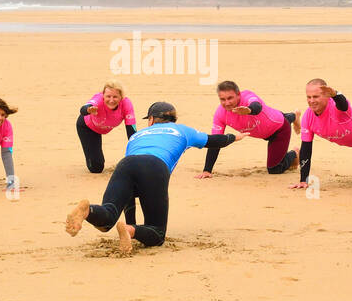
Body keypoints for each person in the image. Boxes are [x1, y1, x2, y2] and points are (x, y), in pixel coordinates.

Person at [65, 101, 247, 254]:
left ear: (151, 119)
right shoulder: (182, 130)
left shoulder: (136, 136)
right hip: (155, 166)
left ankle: (88, 211)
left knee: (108, 218)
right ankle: (130, 230)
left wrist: (131, 220)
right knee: (157, 233)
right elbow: (212, 140)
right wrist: (234, 137)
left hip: (126, 163)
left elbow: (129, 193)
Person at [289, 80, 352, 189]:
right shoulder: (308, 117)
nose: (311, 101)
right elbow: (306, 148)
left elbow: (343, 104)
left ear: (327, 96)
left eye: (316, 96)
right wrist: (303, 180)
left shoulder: (337, 108)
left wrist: (335, 94)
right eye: (309, 97)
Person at [199, 81, 299, 177]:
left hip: (279, 130)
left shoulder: (247, 96)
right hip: (268, 122)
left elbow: (257, 106)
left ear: (238, 95)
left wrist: (249, 110)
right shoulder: (220, 114)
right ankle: (294, 116)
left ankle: (295, 154)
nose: (227, 103)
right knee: (275, 117)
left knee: (274, 169)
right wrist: (207, 170)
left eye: (230, 98)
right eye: (223, 99)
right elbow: (216, 141)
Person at [76, 82, 137, 173]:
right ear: (103, 95)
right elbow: (83, 110)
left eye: (115, 97)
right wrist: (89, 109)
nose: (111, 100)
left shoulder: (126, 104)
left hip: (102, 127)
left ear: (121, 97)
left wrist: (137, 154)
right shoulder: (98, 99)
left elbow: (131, 131)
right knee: (96, 168)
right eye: (108, 96)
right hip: (87, 127)